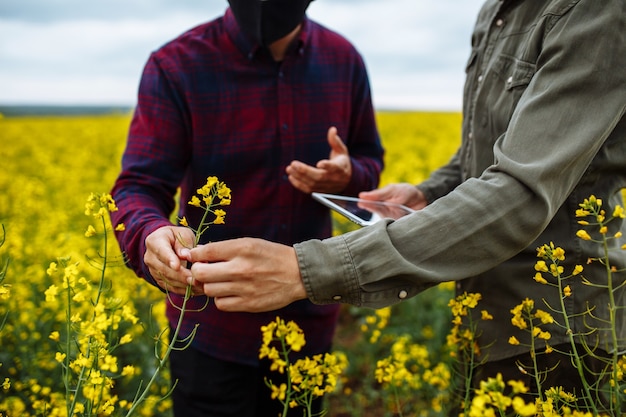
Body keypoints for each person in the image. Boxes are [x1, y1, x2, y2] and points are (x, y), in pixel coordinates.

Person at [183, 0, 626, 411]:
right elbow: (494, 150)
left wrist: (308, 269)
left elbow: (521, 192)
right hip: (481, 311)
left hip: (563, 328)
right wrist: (429, 193)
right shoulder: (497, 11)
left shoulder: (593, 11)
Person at [109, 0, 384, 416]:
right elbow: (139, 185)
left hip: (307, 321)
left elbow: (369, 159)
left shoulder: (343, 60)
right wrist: (149, 234)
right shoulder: (176, 65)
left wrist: (348, 175)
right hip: (210, 332)